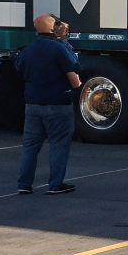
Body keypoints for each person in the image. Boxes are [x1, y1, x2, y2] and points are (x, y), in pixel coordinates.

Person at [14, 13, 81, 194]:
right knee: (58, 144)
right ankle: (56, 183)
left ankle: (24, 184)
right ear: (54, 28)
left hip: (33, 104)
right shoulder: (58, 48)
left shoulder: (27, 49)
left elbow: (20, 71)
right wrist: (64, 40)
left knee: (30, 146)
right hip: (58, 103)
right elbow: (75, 66)